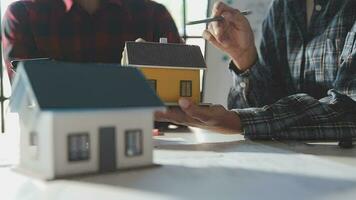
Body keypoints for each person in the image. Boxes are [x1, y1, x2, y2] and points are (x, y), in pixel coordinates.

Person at [156, 0, 356, 141]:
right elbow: (270, 106)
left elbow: (350, 109)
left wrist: (238, 120)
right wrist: (244, 58)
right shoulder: (282, 8)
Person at [2, 0, 182, 79]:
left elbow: (178, 103)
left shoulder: (153, 16)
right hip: (54, 146)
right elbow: (27, 103)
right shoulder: (24, 16)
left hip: (152, 145)